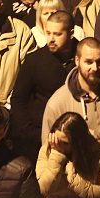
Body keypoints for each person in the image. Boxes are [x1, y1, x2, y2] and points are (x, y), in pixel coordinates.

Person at [11, 11, 77, 163]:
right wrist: (33, 132)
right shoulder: (35, 60)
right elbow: (18, 99)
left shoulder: (84, 57)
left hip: (76, 138)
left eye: (57, 34)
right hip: (40, 136)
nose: (51, 39)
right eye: (48, 33)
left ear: (71, 33)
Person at [37, 111, 100, 198]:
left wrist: (75, 180)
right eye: (57, 140)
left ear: (78, 143)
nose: (59, 145)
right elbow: (44, 189)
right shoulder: (48, 150)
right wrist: (57, 156)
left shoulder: (98, 152)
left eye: (65, 143)